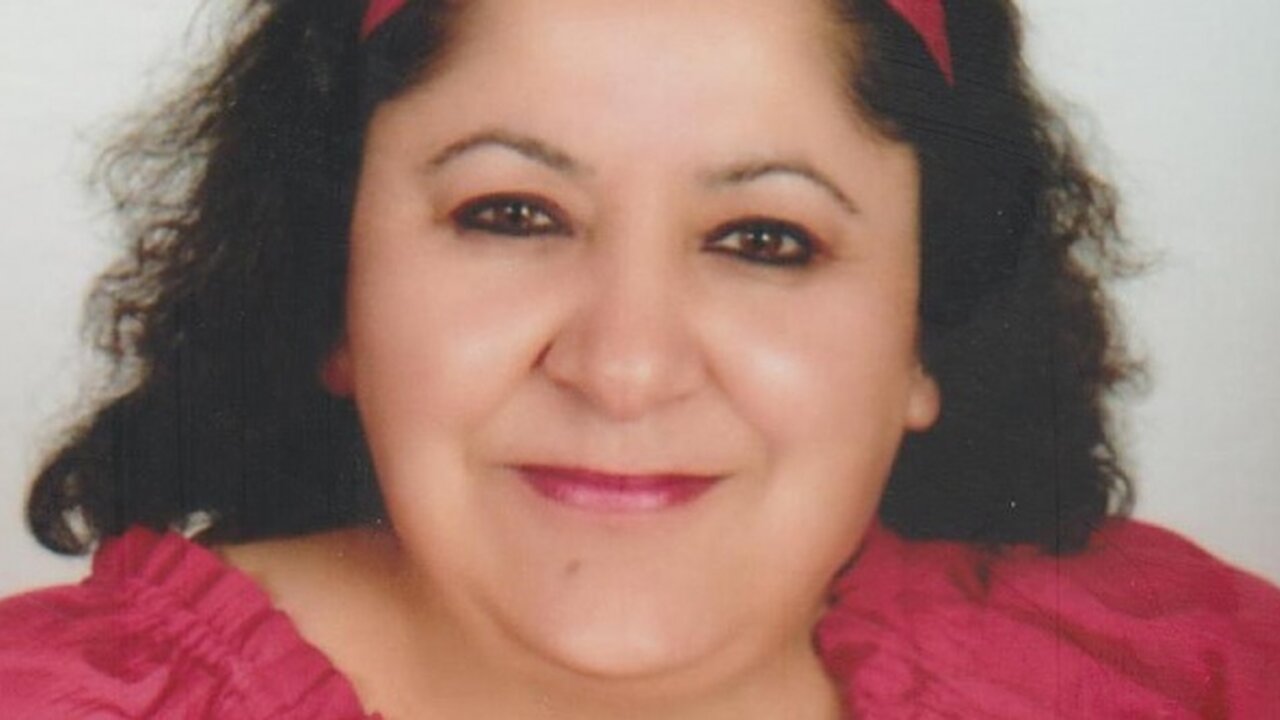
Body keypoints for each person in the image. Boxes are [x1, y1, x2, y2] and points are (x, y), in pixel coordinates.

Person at [1, 0, 1276, 717]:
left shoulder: (1180, 675)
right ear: (332, 284)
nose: (624, 367)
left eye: (764, 239)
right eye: (511, 214)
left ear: (924, 326)